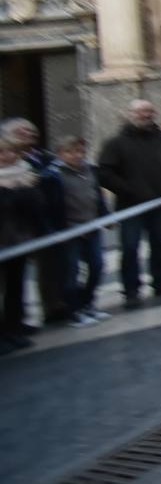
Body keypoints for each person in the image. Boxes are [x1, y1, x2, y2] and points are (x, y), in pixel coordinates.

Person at [98, 100, 161, 308]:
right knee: (130, 247)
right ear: (130, 114)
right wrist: (129, 190)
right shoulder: (115, 143)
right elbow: (105, 174)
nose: (145, 115)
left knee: (160, 243)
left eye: (149, 111)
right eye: (140, 112)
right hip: (132, 206)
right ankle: (131, 288)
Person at [2, 118, 66, 324]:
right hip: (7, 234)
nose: (28, 135)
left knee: (19, 280)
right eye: (21, 133)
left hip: (32, 228)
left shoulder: (38, 161)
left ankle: (19, 321)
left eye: (31, 132)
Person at [50, 135, 109, 327]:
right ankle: (73, 309)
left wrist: (105, 216)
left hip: (91, 226)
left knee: (97, 266)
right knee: (71, 272)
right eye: (70, 152)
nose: (76, 156)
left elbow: (97, 195)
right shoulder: (53, 176)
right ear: (60, 154)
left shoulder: (90, 170)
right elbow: (52, 206)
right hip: (70, 230)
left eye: (80, 151)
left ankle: (87, 302)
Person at [1, 136, 45, 352]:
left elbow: (36, 205)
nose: (7, 156)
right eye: (1, 153)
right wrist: (11, 191)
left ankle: (14, 327)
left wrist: (24, 189)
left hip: (18, 239)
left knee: (16, 287)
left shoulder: (24, 172)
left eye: (9, 152)